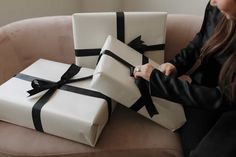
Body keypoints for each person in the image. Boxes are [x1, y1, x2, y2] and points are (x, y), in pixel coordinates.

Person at [133, 0, 236, 157]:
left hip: (227, 104)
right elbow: (201, 40)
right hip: (203, 94)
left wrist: (160, 82)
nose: (212, 2)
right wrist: (175, 65)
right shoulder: (216, 8)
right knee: (191, 148)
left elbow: (224, 98)